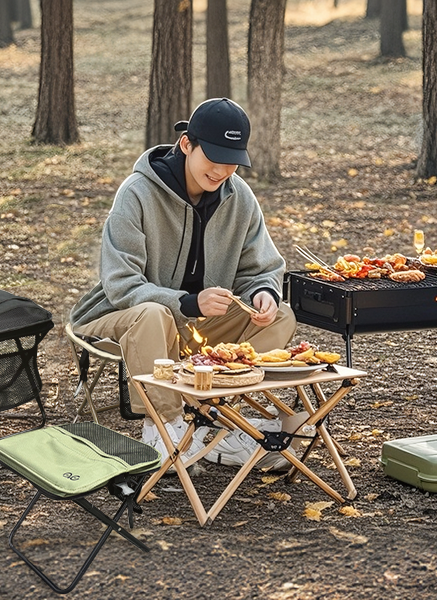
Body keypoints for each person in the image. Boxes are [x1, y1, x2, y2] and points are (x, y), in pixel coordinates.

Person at [69, 98, 296, 464]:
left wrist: (264, 293)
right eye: (215, 158)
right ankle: (164, 430)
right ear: (187, 144)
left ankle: (210, 420)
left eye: (232, 161)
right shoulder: (137, 193)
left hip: (196, 328)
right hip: (118, 316)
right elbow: (121, 284)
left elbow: (262, 266)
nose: (223, 170)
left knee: (283, 315)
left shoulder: (240, 198)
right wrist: (189, 303)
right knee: (153, 314)